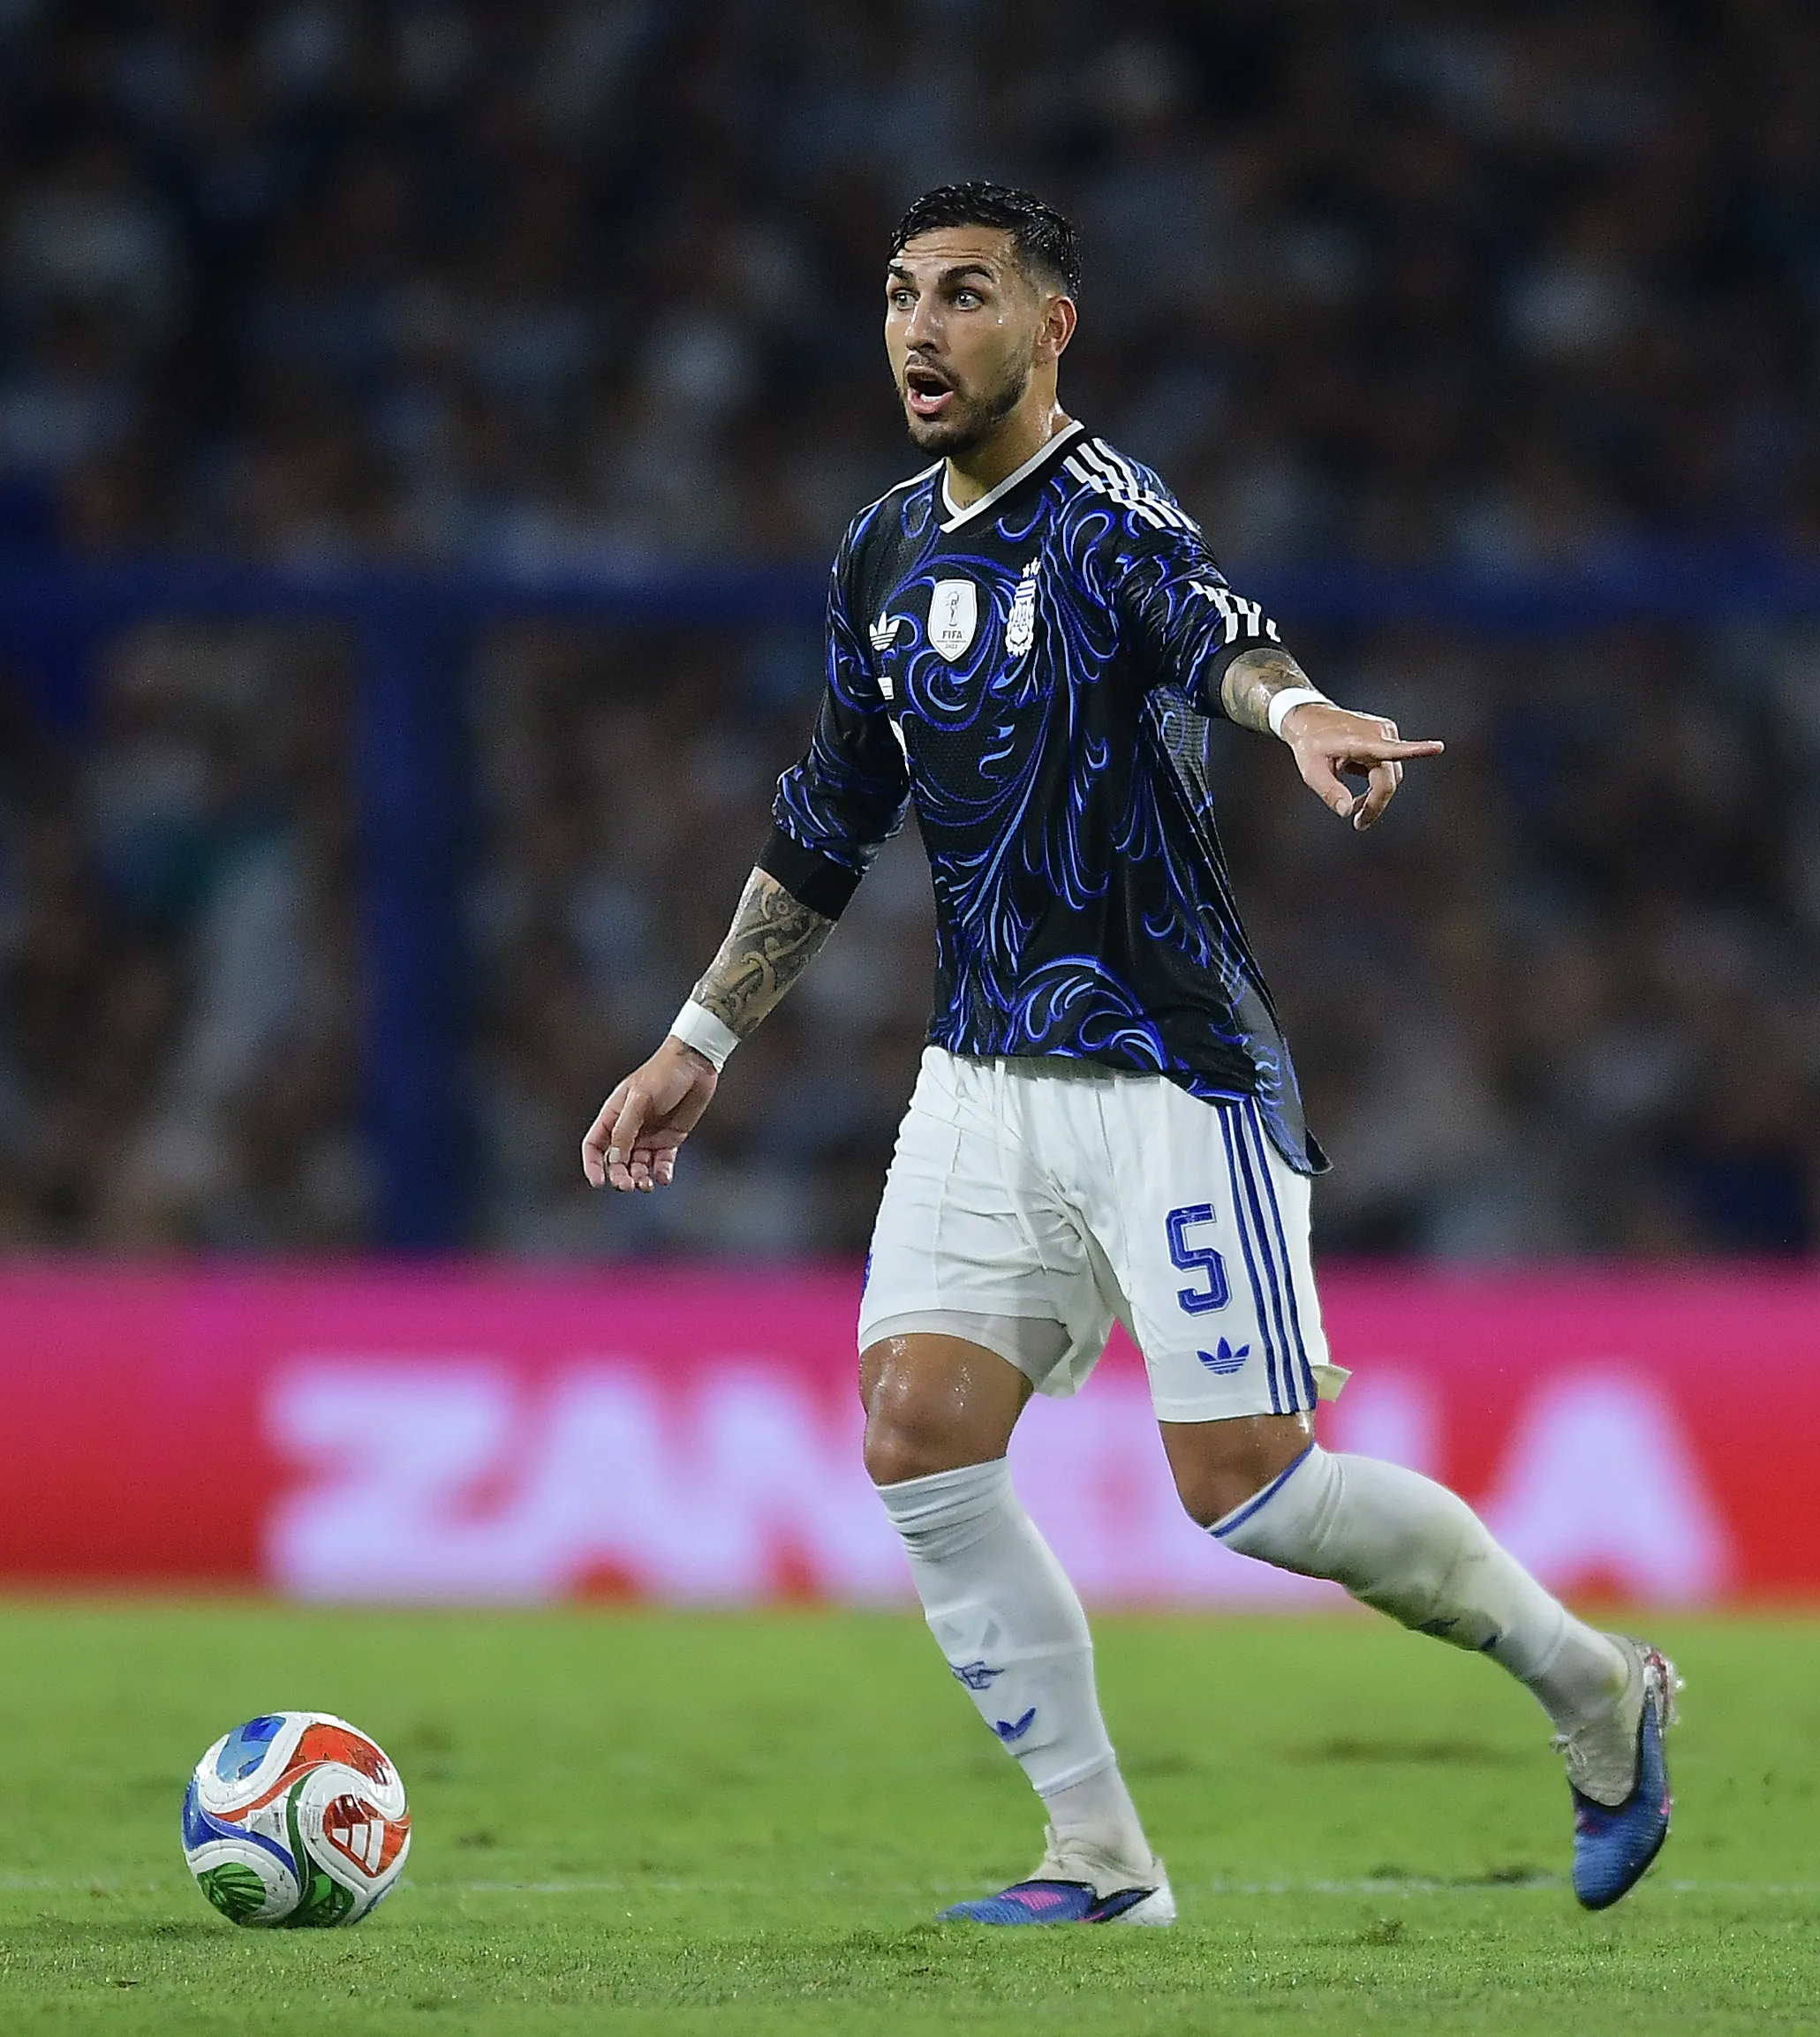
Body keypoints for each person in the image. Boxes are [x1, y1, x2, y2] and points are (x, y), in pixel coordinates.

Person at [582, 183, 1678, 1924]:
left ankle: (1587, 1684)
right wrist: (698, 1034)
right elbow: (825, 817)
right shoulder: (878, 552)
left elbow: (1217, 634)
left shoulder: (1105, 521)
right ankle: (1096, 1857)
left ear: (1046, 327)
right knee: (911, 1426)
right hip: (979, 1074)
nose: (919, 330)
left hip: (1166, 1074)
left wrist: (1302, 710)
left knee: (1243, 1489)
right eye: (895, 296)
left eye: (961, 296)